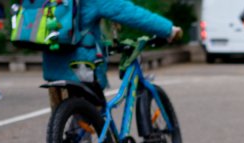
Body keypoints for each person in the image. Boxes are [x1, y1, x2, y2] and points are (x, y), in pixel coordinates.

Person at [40, 0, 183, 91]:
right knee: (91, 114)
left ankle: (66, 137)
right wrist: (168, 29)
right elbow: (130, 13)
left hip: (52, 63)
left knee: (61, 127)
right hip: (83, 66)